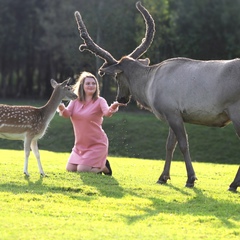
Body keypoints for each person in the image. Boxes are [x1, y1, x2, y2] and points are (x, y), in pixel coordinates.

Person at [57, 71, 125, 175]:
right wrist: (61, 107)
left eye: (93, 83)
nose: (91, 85)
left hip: (97, 144)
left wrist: (113, 107)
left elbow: (107, 113)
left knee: (82, 170)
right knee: (70, 169)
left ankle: (103, 167)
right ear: (82, 86)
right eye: (88, 83)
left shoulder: (100, 101)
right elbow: (67, 114)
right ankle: (99, 164)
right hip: (80, 145)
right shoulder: (75, 101)